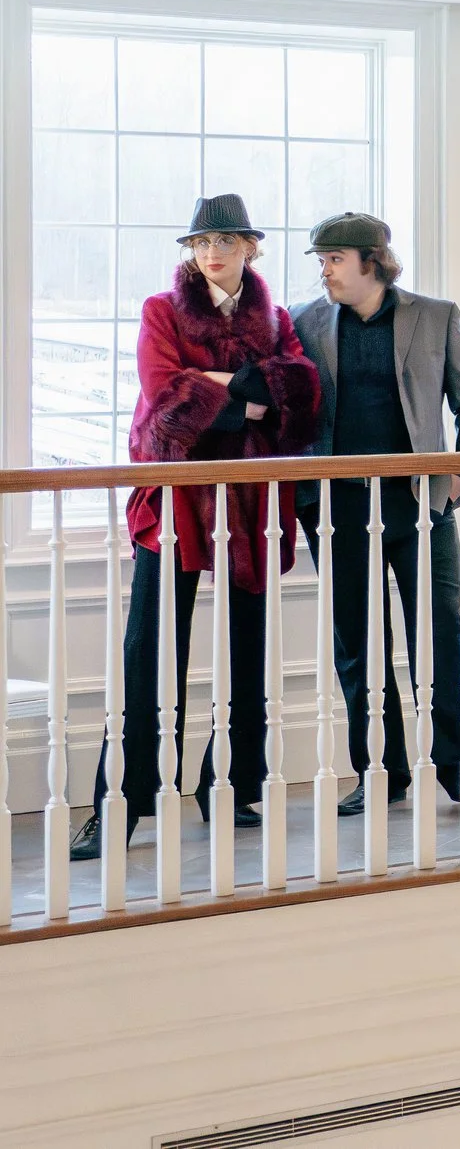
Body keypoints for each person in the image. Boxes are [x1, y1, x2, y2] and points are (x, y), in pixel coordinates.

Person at [73, 196, 322, 861]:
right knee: (150, 652)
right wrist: (246, 393)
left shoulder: (275, 317)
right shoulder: (162, 310)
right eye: (201, 241)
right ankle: (119, 805)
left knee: (248, 648)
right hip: (176, 495)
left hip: (247, 500)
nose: (212, 251)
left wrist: (217, 387)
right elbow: (165, 395)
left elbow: (298, 394)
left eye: (226, 240)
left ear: (250, 248)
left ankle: (230, 785)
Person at [292, 212, 460, 815]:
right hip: (338, 512)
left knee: (442, 638)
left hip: (421, 507)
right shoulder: (305, 322)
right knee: (360, 649)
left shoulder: (435, 317)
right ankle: (379, 773)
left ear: (370, 260)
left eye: (333, 259)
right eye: (321, 260)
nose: (324, 270)